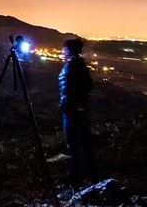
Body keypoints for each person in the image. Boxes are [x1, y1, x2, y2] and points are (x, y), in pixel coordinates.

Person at [58, 37, 97, 193]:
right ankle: (93, 179)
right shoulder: (78, 64)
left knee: (74, 149)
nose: (62, 51)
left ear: (69, 50)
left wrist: (70, 106)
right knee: (85, 147)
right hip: (78, 111)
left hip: (73, 113)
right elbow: (86, 85)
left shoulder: (72, 66)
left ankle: (75, 186)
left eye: (64, 48)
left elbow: (71, 90)